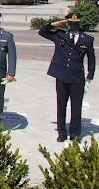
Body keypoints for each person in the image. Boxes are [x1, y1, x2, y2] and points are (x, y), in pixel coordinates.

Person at [39, 13, 95, 142]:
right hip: (62, 75)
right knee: (61, 106)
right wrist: (55, 24)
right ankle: (62, 133)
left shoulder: (87, 39)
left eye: (76, 23)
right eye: (71, 23)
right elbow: (42, 32)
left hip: (77, 77)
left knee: (76, 107)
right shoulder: (60, 35)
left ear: (80, 24)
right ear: (67, 23)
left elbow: (91, 58)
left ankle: (75, 134)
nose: (73, 26)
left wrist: (90, 75)